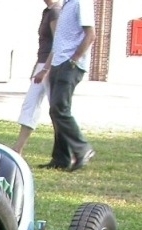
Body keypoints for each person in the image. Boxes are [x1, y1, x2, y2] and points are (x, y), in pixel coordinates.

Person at [42, 0, 96, 170]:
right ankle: (61, 158)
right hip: (59, 62)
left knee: (60, 108)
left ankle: (82, 148)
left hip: (69, 64)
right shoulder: (67, 4)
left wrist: (74, 59)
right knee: (56, 110)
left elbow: (90, 35)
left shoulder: (81, 3)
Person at [13, 0, 63, 155]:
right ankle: (18, 148)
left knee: (58, 110)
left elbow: (58, 43)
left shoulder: (56, 12)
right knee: (31, 104)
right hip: (42, 64)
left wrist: (45, 69)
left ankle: (69, 150)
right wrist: (38, 67)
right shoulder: (48, 11)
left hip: (50, 65)